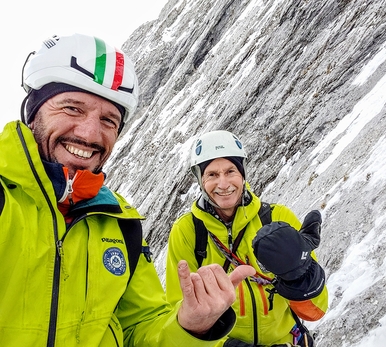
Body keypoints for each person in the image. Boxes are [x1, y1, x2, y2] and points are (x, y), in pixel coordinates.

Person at [0, 33, 256, 346]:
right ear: (33, 111)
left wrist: (192, 327)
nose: (90, 133)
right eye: (72, 108)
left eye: (109, 120)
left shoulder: (121, 224)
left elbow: (142, 326)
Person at [165, 130, 329, 347]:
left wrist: (301, 278)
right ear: (200, 180)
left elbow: (315, 311)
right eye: (212, 174)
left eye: (230, 171)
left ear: (242, 174)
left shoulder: (277, 218)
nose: (223, 184)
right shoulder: (188, 231)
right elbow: (180, 312)